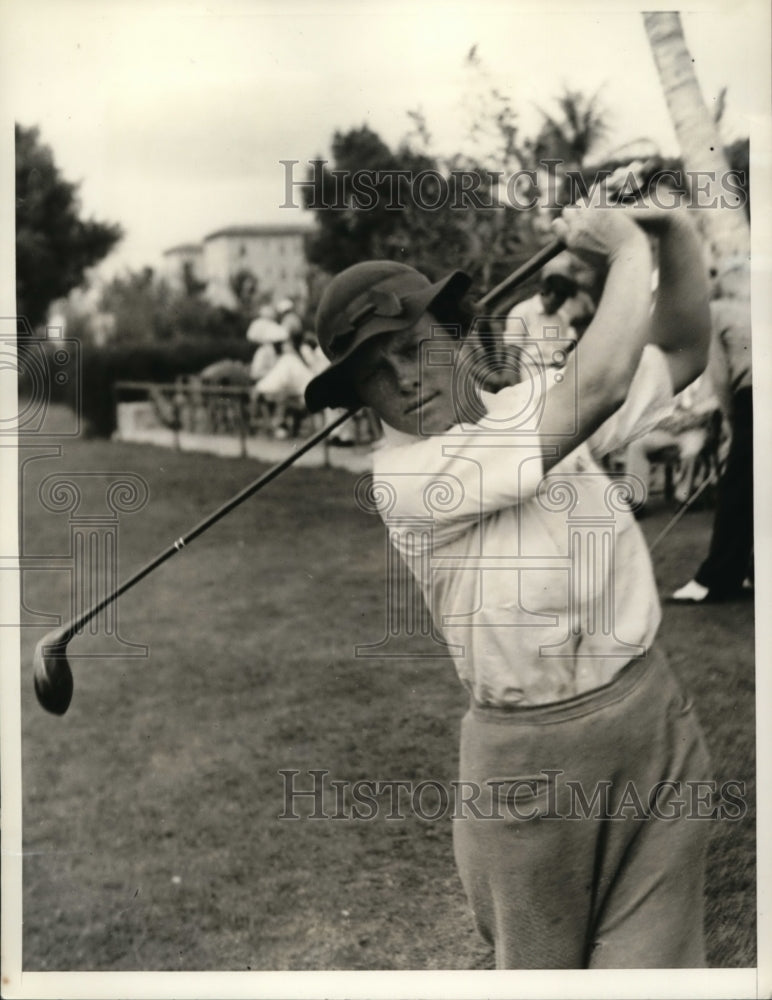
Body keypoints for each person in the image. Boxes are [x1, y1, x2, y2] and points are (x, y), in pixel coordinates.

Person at [304, 203, 714, 969]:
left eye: (411, 348)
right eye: (373, 373)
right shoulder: (405, 478)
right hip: (527, 770)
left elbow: (685, 349)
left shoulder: (532, 400)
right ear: (360, 398)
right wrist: (624, 248)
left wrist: (670, 232)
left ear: (454, 335)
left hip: (650, 719)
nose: (402, 379)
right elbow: (595, 392)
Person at [672, 258, 753, 602]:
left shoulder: (716, 311)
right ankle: (753, 571)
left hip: (755, 396)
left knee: (737, 489)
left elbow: (721, 381)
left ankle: (716, 579)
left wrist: (734, 430)